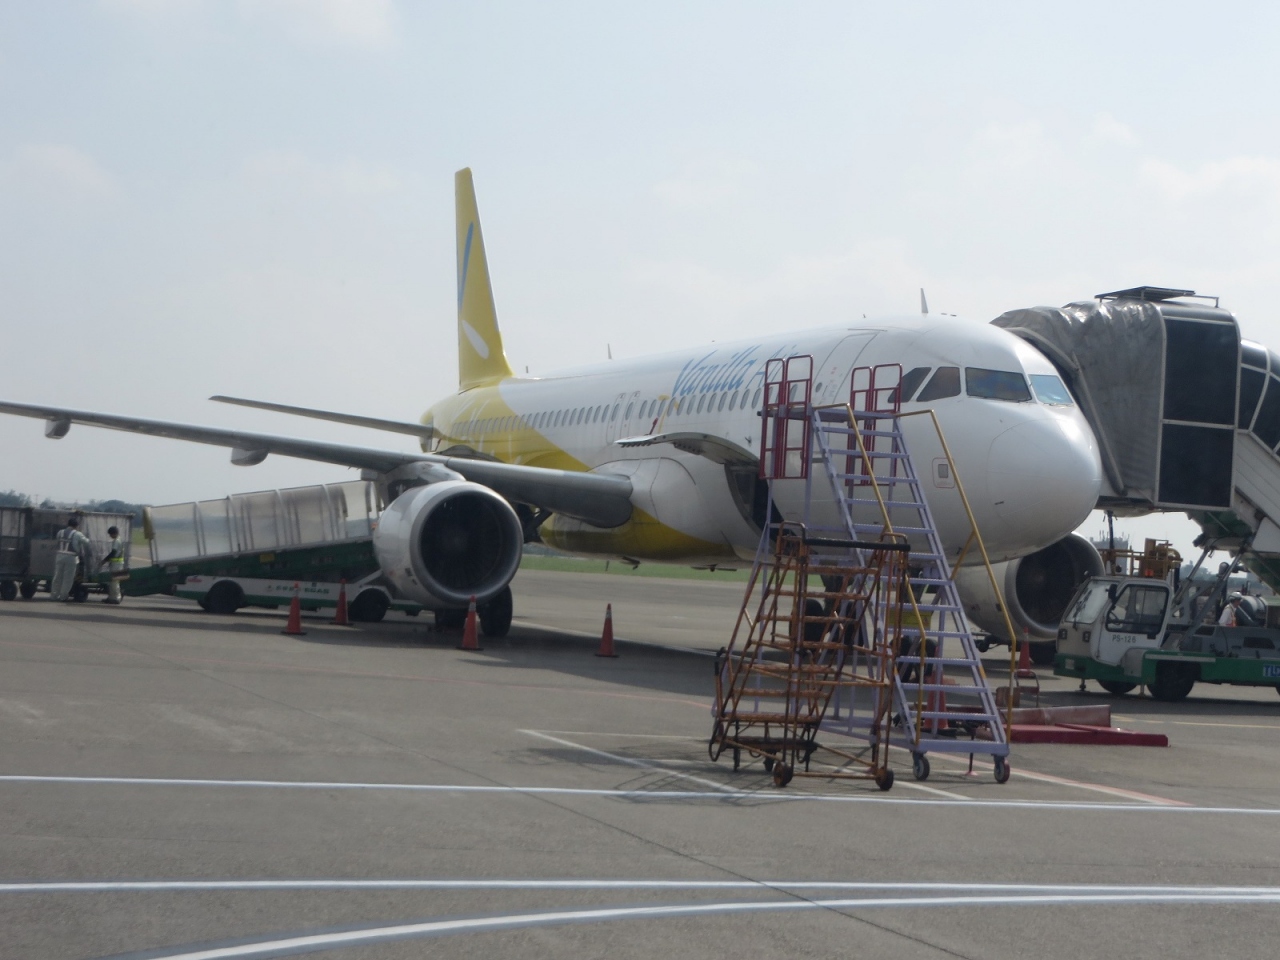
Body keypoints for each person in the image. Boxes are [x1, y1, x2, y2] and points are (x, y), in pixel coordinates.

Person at [49, 515, 90, 602]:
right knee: (67, 578)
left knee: (57, 577)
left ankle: (54, 595)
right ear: (76, 526)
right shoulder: (77, 534)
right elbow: (86, 542)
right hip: (71, 557)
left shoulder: (60, 532)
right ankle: (63, 596)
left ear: (68, 524)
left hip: (59, 556)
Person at [100, 525, 125, 604]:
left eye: (110, 534)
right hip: (117, 563)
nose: (110, 536)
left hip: (116, 564)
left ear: (114, 533)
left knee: (115, 582)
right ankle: (111, 597)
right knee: (112, 581)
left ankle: (116, 598)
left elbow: (113, 553)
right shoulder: (119, 540)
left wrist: (104, 560)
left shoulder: (116, 541)